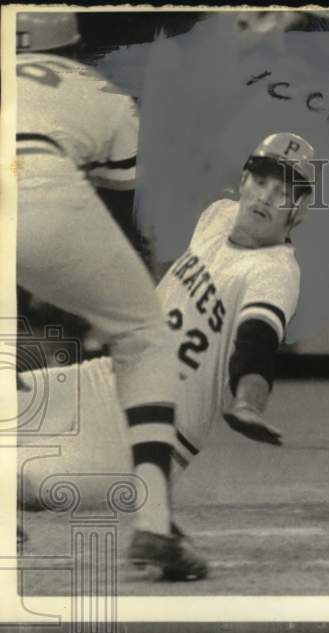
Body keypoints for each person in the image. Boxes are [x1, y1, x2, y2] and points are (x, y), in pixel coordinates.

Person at [19, 132, 313, 578]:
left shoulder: (275, 274)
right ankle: (163, 529)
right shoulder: (217, 216)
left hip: (148, 441)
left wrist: (249, 402)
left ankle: (155, 521)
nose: (268, 196)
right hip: (104, 382)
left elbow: (256, 343)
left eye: (285, 191)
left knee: (24, 480)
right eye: (263, 180)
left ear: (299, 211)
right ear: (244, 180)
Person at [15, 12, 199, 577]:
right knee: (145, 337)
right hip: (40, 182)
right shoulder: (101, 92)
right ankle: (153, 522)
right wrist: (112, 313)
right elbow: (121, 222)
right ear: (74, 46)